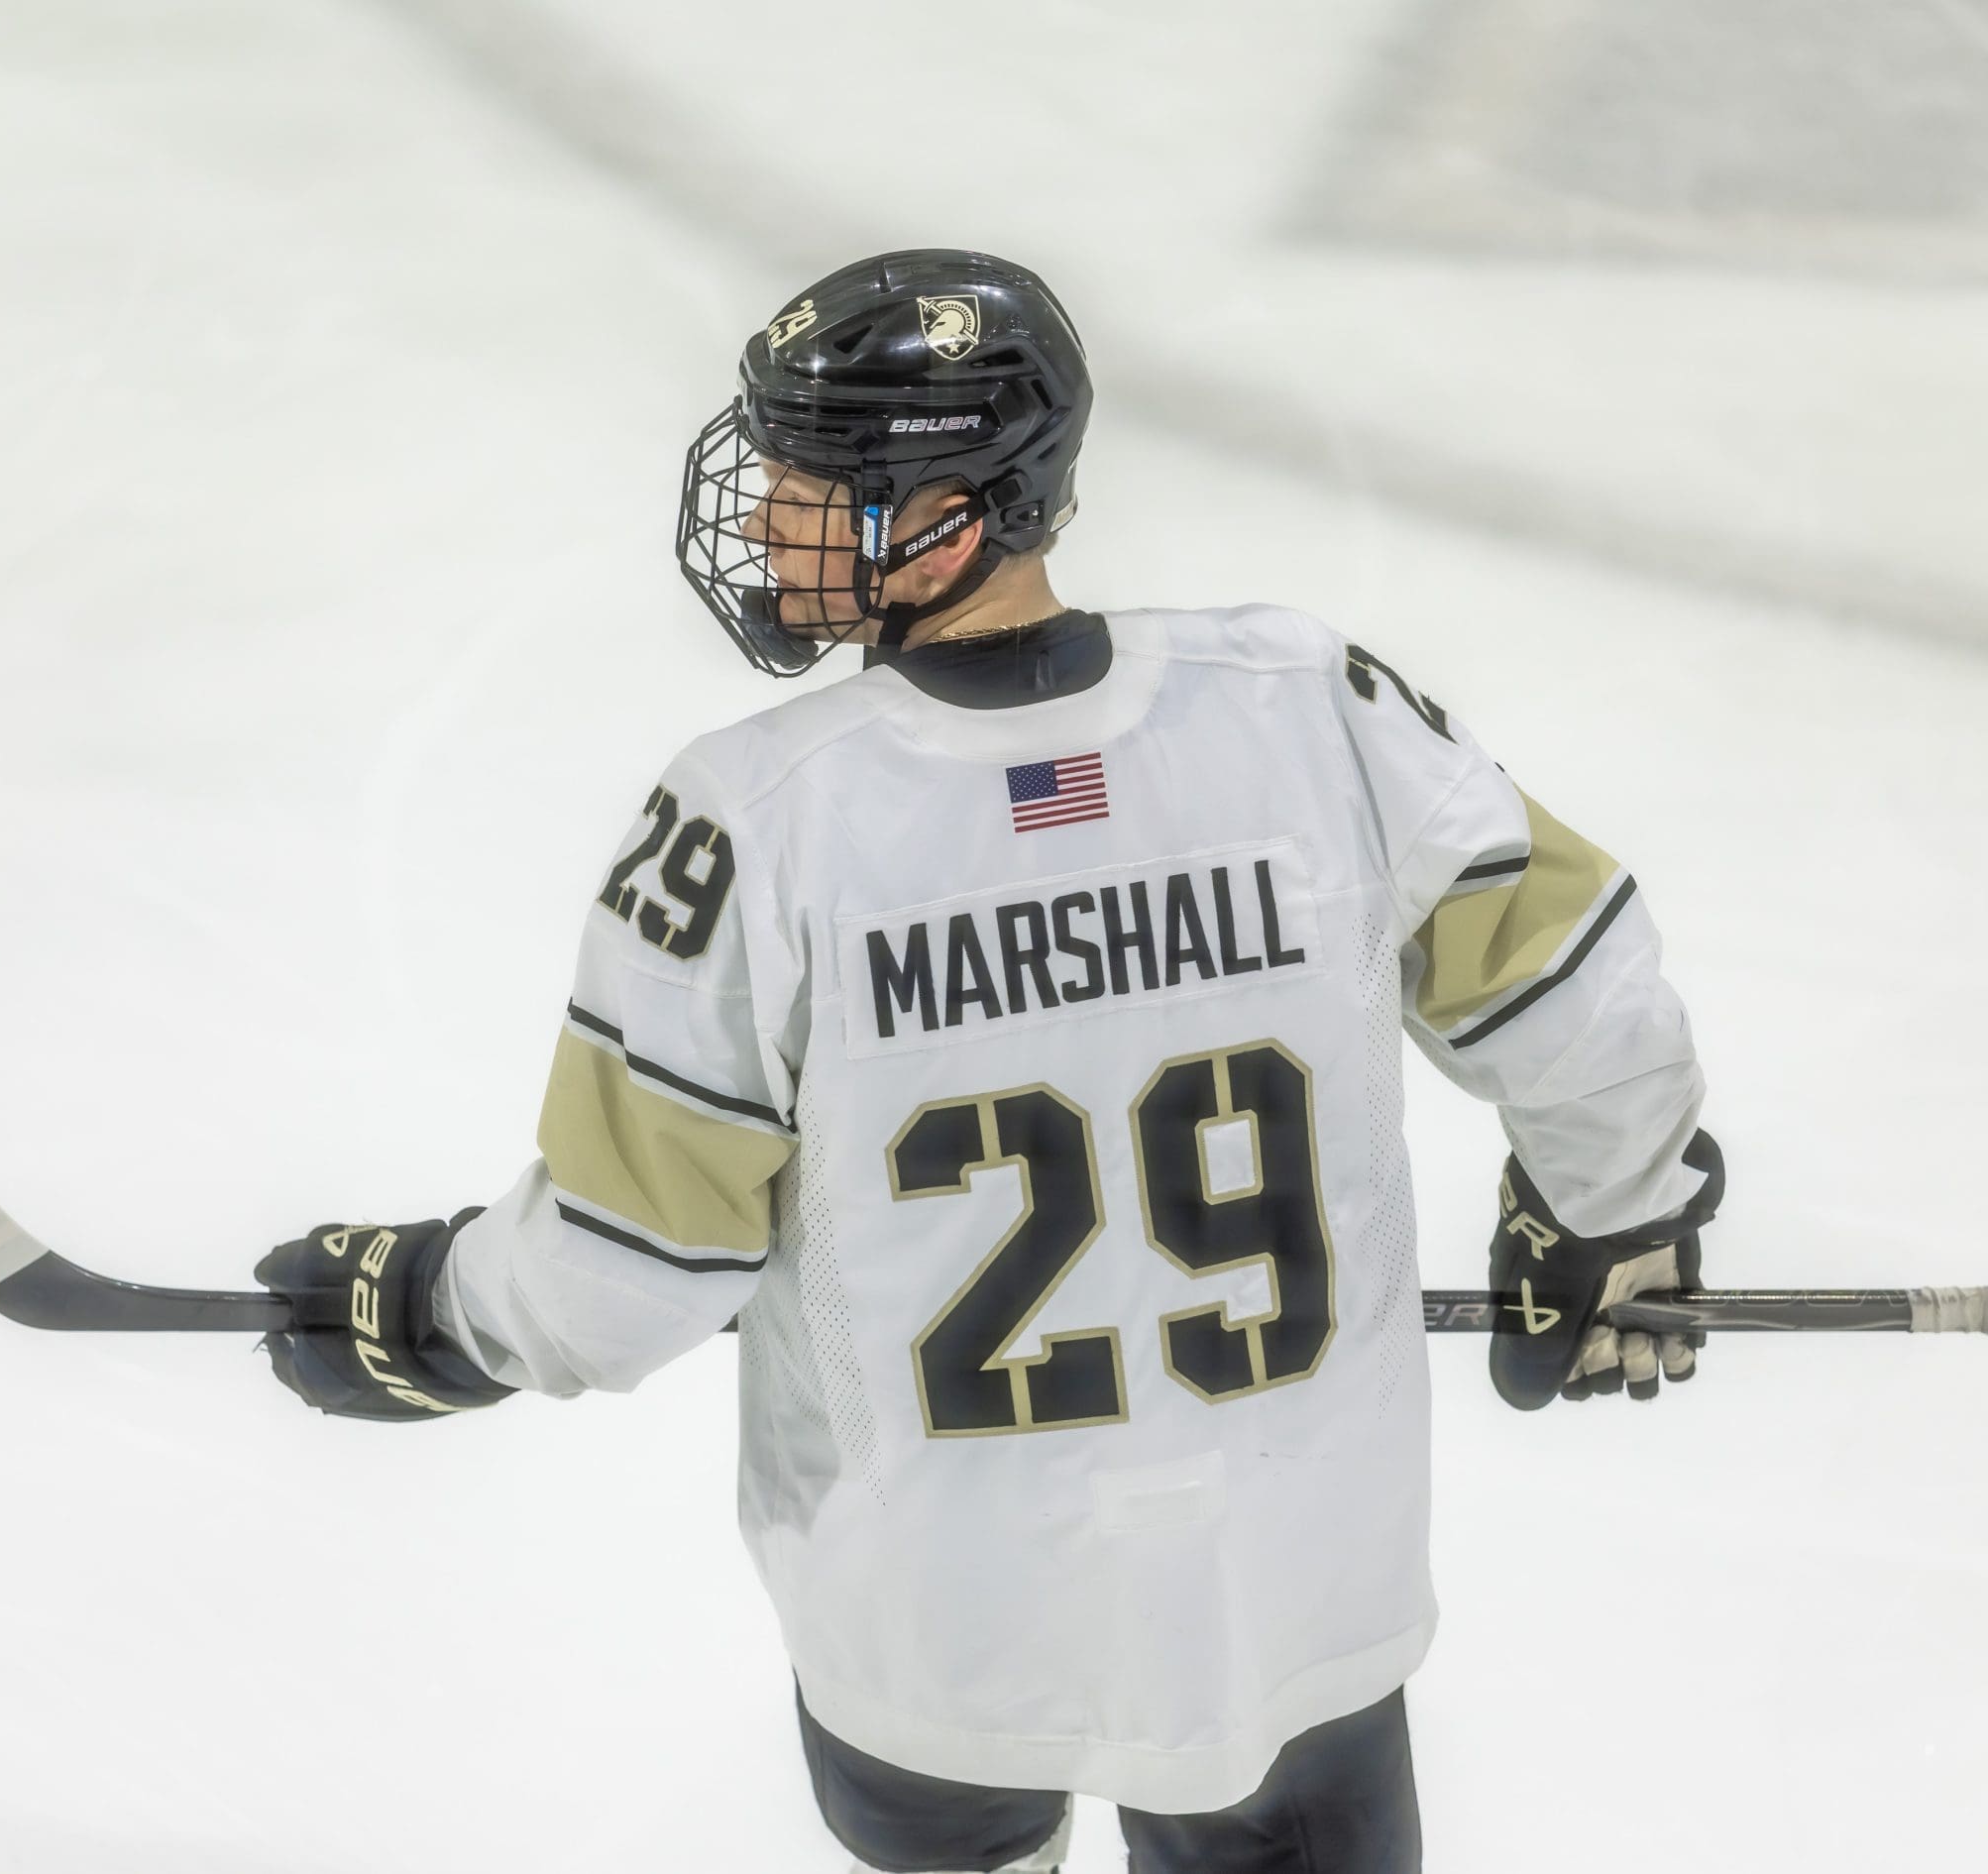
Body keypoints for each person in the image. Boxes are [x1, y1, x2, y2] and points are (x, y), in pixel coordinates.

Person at [253, 250, 1721, 1874]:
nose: (762, 516)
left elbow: (629, 1264)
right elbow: (1593, 1008)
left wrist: (437, 1311)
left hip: (936, 1626)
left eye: (810, 481)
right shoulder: (1310, 706)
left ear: (943, 517)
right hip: (1291, 1586)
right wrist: (1607, 1217)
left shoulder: (756, 816)